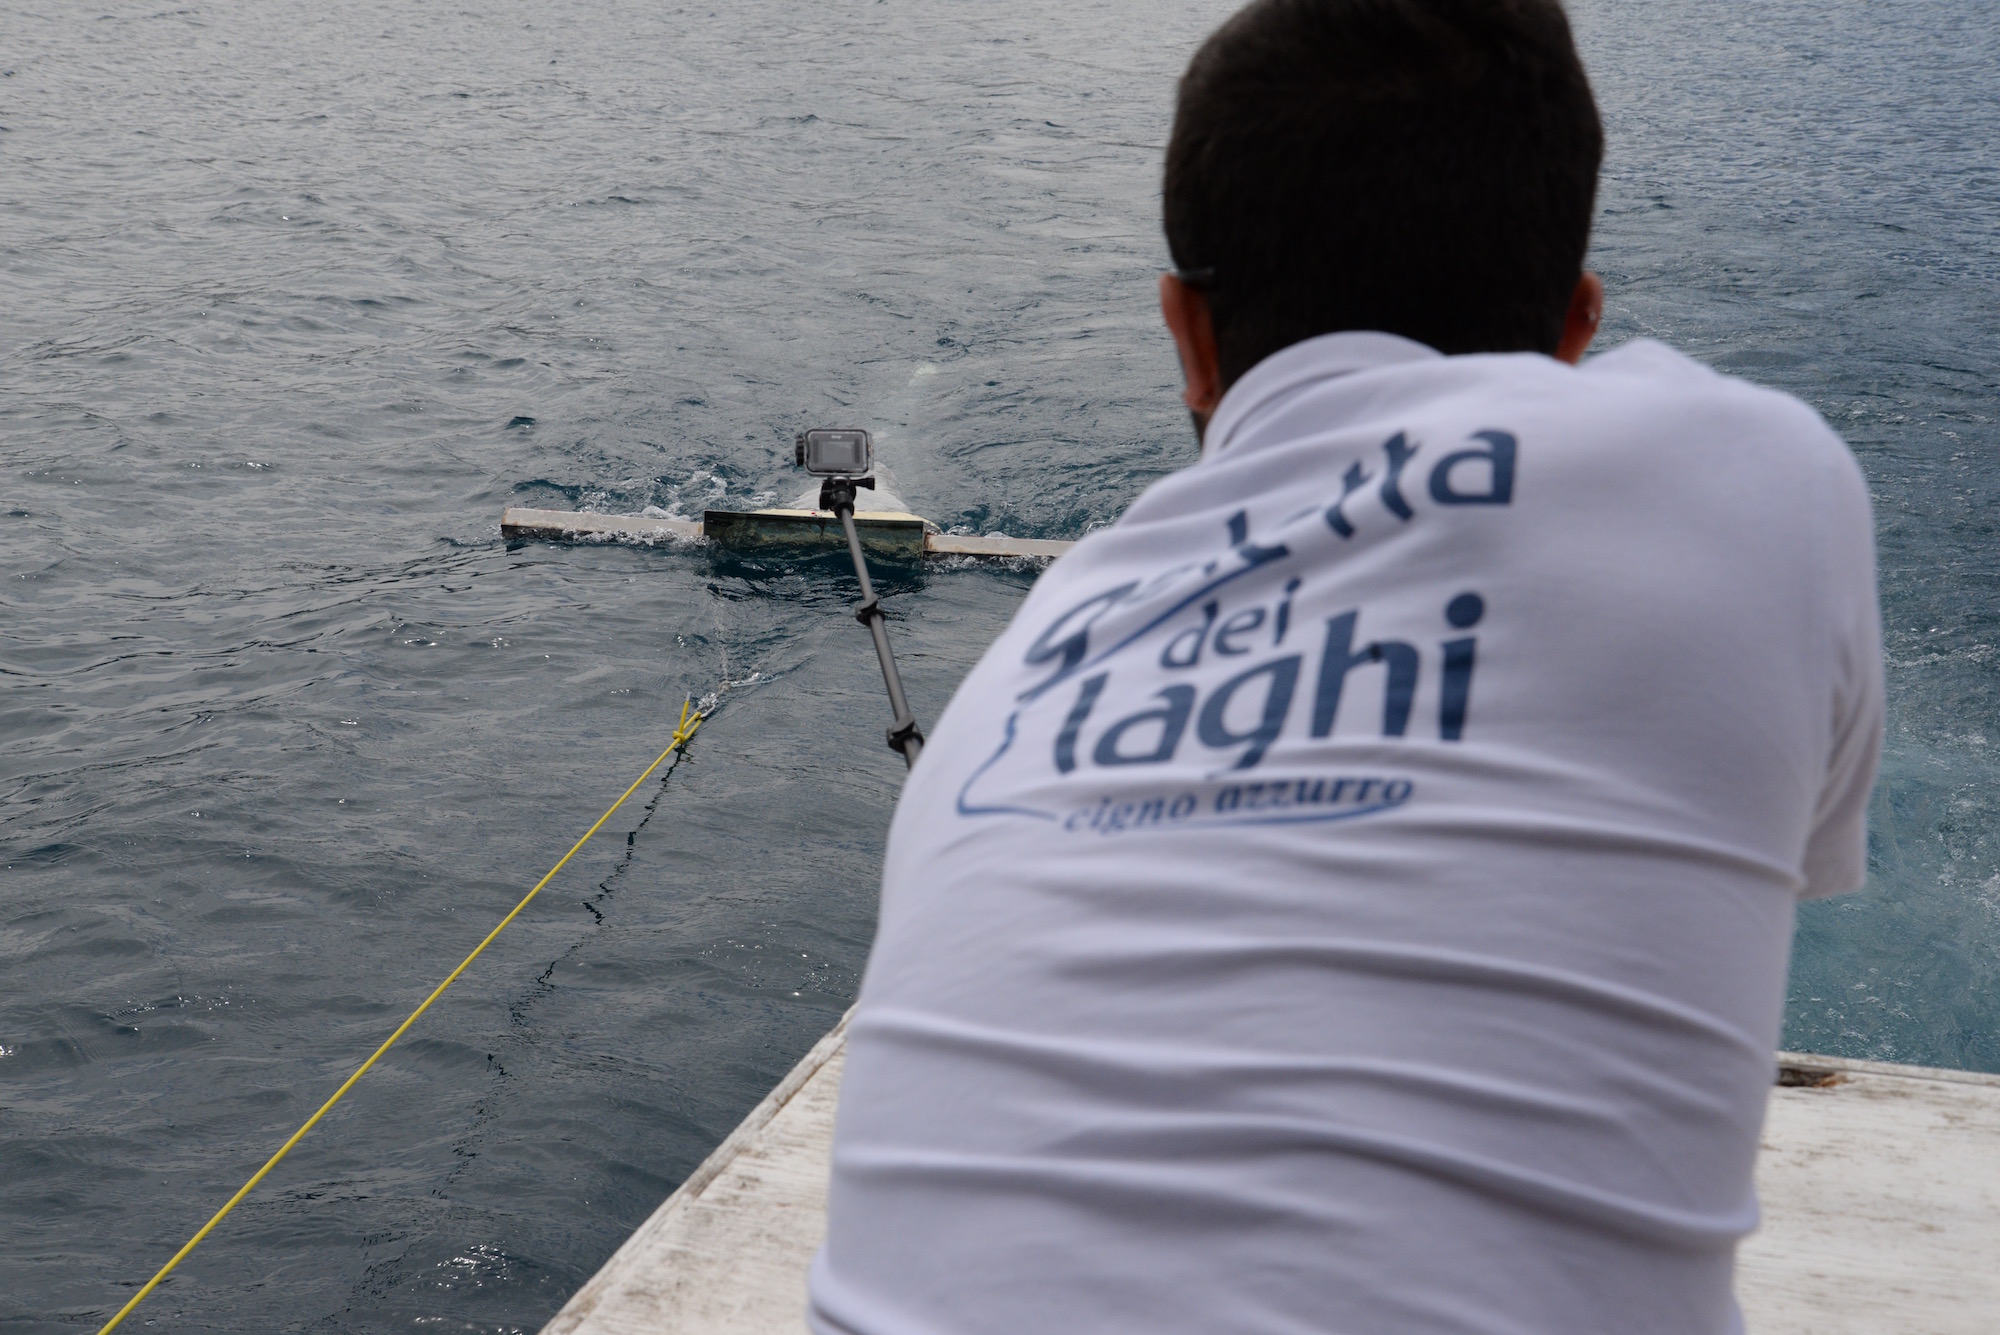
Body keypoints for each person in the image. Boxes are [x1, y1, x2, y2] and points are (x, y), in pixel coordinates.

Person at [809, 0, 1884, 1330]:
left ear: (1184, 335)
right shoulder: (1768, 482)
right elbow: (1802, 868)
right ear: (1578, 325)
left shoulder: (1038, 642)